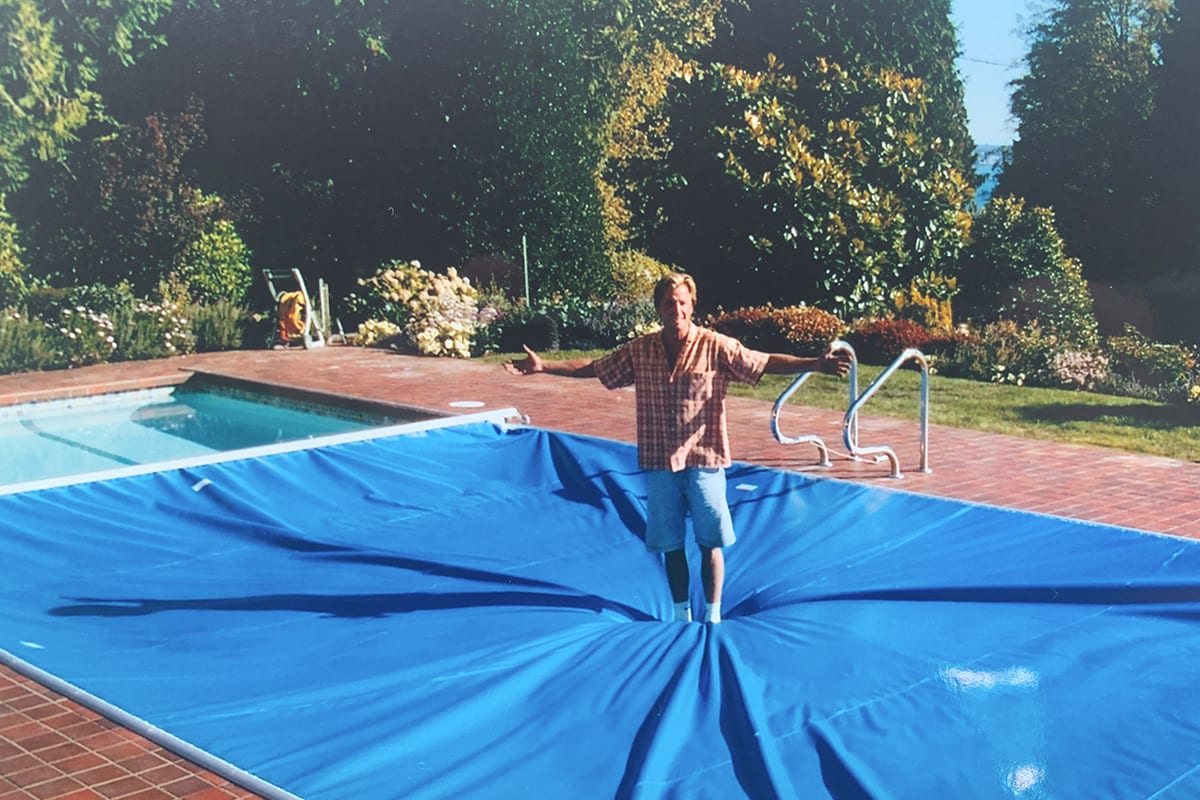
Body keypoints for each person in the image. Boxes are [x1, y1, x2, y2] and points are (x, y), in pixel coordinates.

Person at [504, 273, 850, 623]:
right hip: (660, 463)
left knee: (709, 542)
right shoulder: (641, 350)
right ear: (658, 308)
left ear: (692, 305)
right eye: (669, 303)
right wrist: (544, 366)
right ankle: (679, 614)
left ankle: (713, 616)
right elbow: (596, 367)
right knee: (670, 547)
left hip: (704, 459)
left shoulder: (716, 346)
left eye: (682, 302)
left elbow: (763, 361)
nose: (677, 309)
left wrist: (815, 364)